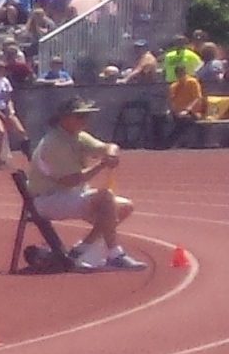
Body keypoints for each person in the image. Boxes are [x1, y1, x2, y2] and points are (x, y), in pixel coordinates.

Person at [17, 98, 147, 271]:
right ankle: (115, 254)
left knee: (124, 207)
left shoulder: (77, 136)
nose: (85, 120)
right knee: (105, 198)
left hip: (69, 195)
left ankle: (81, 249)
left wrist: (111, 154)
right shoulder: (53, 143)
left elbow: (108, 146)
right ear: (64, 119)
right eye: (80, 116)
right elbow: (71, 180)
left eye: (85, 116)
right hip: (47, 199)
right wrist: (102, 164)